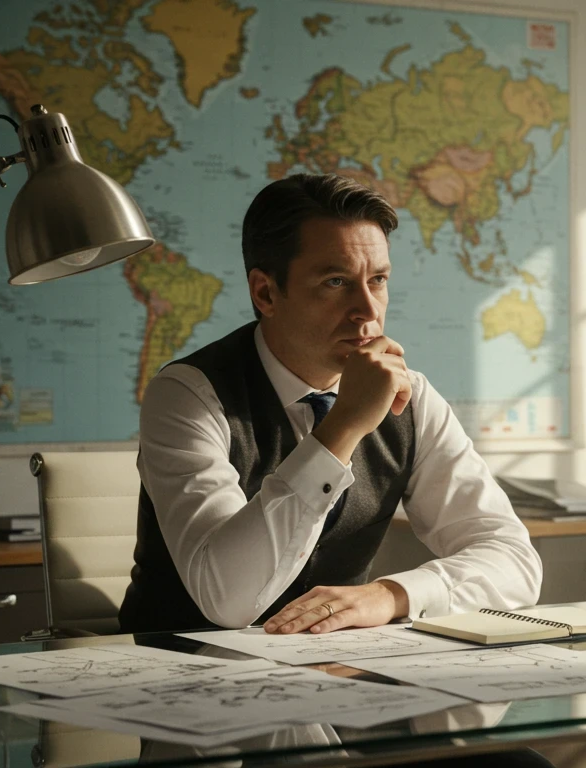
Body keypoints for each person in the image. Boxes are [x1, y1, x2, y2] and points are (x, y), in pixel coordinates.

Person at [117, 173, 543, 637]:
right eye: (336, 282)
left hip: (338, 676)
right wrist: (342, 427)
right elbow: (226, 600)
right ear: (265, 293)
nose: (367, 310)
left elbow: (515, 562)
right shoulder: (187, 395)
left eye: (377, 280)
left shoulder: (412, 398)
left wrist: (393, 595)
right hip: (180, 678)